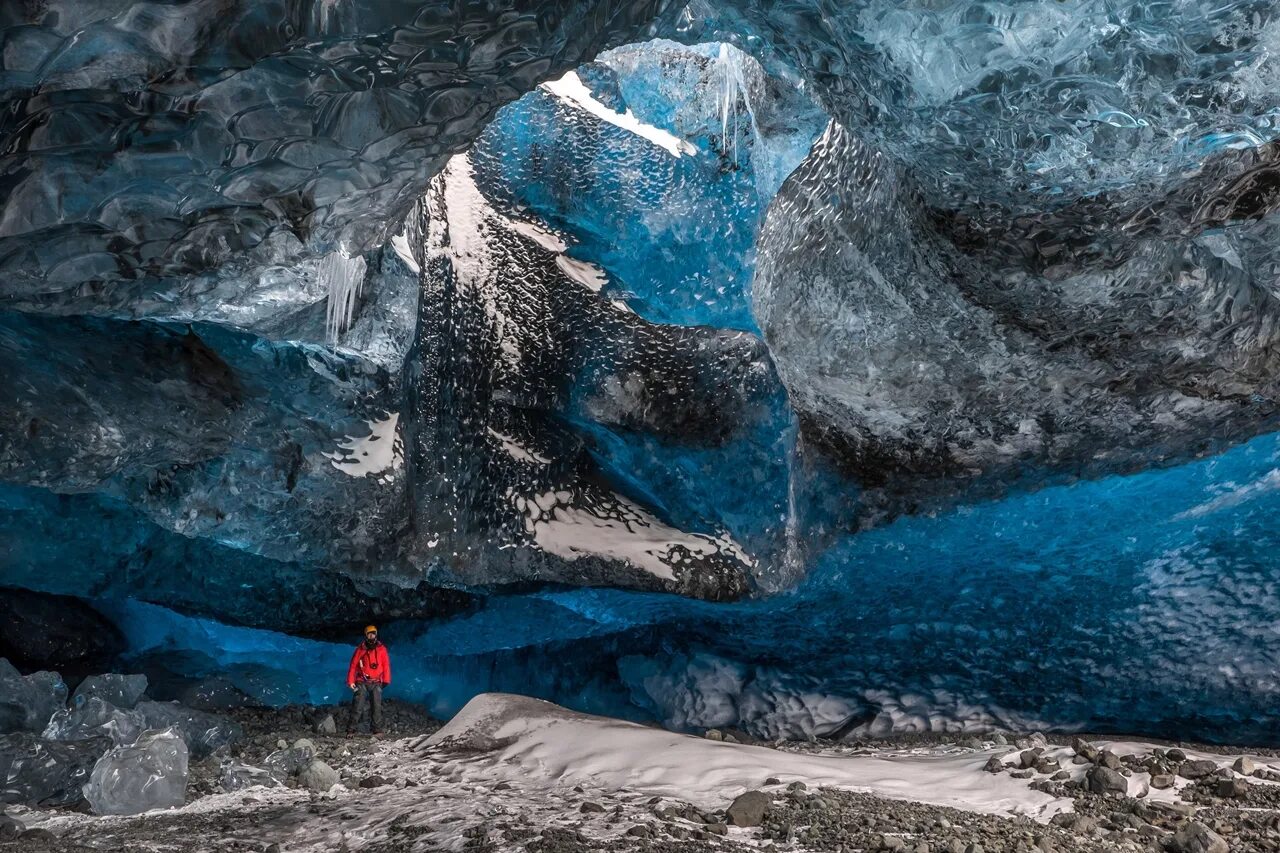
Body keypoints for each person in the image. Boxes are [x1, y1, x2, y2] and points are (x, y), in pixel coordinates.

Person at [346, 624, 390, 736]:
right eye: (369, 634)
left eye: (373, 634)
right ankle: (351, 730)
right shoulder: (360, 650)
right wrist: (350, 681)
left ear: (376, 635)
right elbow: (353, 666)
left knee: (376, 707)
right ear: (366, 636)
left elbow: (386, 665)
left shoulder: (382, 649)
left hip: (376, 682)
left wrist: (386, 680)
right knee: (357, 706)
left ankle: (377, 730)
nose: (371, 636)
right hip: (362, 682)